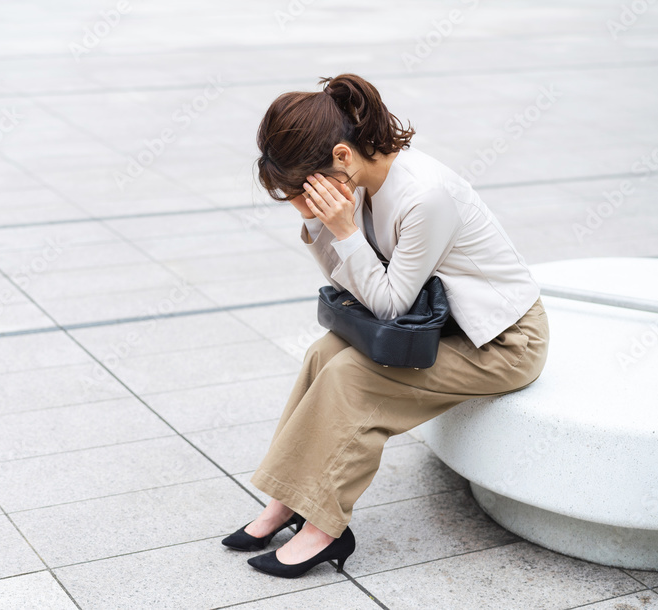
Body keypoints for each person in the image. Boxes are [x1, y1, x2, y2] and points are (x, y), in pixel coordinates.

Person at [221, 74, 550, 578]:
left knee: (352, 376)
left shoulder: (424, 196)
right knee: (323, 354)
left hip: (503, 342)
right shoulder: (363, 184)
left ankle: (324, 527)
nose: (303, 199)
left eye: (304, 189)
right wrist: (319, 223)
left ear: (341, 156)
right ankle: (287, 502)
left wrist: (344, 231)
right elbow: (353, 285)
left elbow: (391, 305)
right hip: (444, 328)